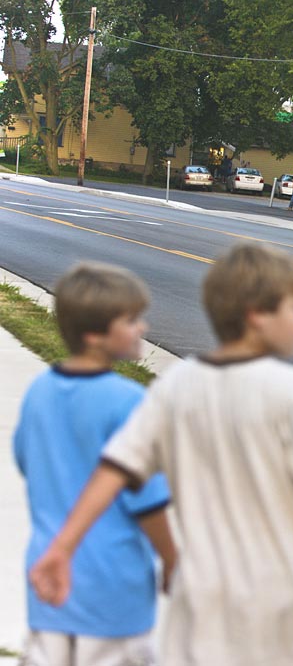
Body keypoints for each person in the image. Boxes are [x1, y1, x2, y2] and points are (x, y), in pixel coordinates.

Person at [29, 244, 293, 666]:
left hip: (198, 603)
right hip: (278, 608)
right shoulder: (292, 391)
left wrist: (62, 547)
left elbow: (115, 470)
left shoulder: (177, 385)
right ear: (257, 314)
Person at [15, 263, 176, 666]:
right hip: (111, 585)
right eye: (131, 320)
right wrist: (173, 561)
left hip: (48, 579)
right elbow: (147, 501)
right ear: (94, 335)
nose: (143, 327)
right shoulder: (129, 403)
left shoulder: (41, 391)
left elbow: (27, 459)